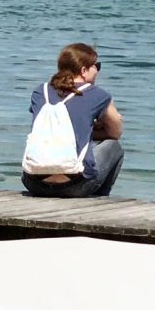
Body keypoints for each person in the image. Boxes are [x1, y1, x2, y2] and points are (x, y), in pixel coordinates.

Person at [20, 42, 124, 198]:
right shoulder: (98, 94)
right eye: (97, 66)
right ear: (84, 70)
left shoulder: (40, 92)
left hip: (33, 183)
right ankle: (100, 199)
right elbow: (115, 132)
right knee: (113, 147)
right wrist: (92, 128)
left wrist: (85, 129)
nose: (98, 71)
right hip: (73, 187)